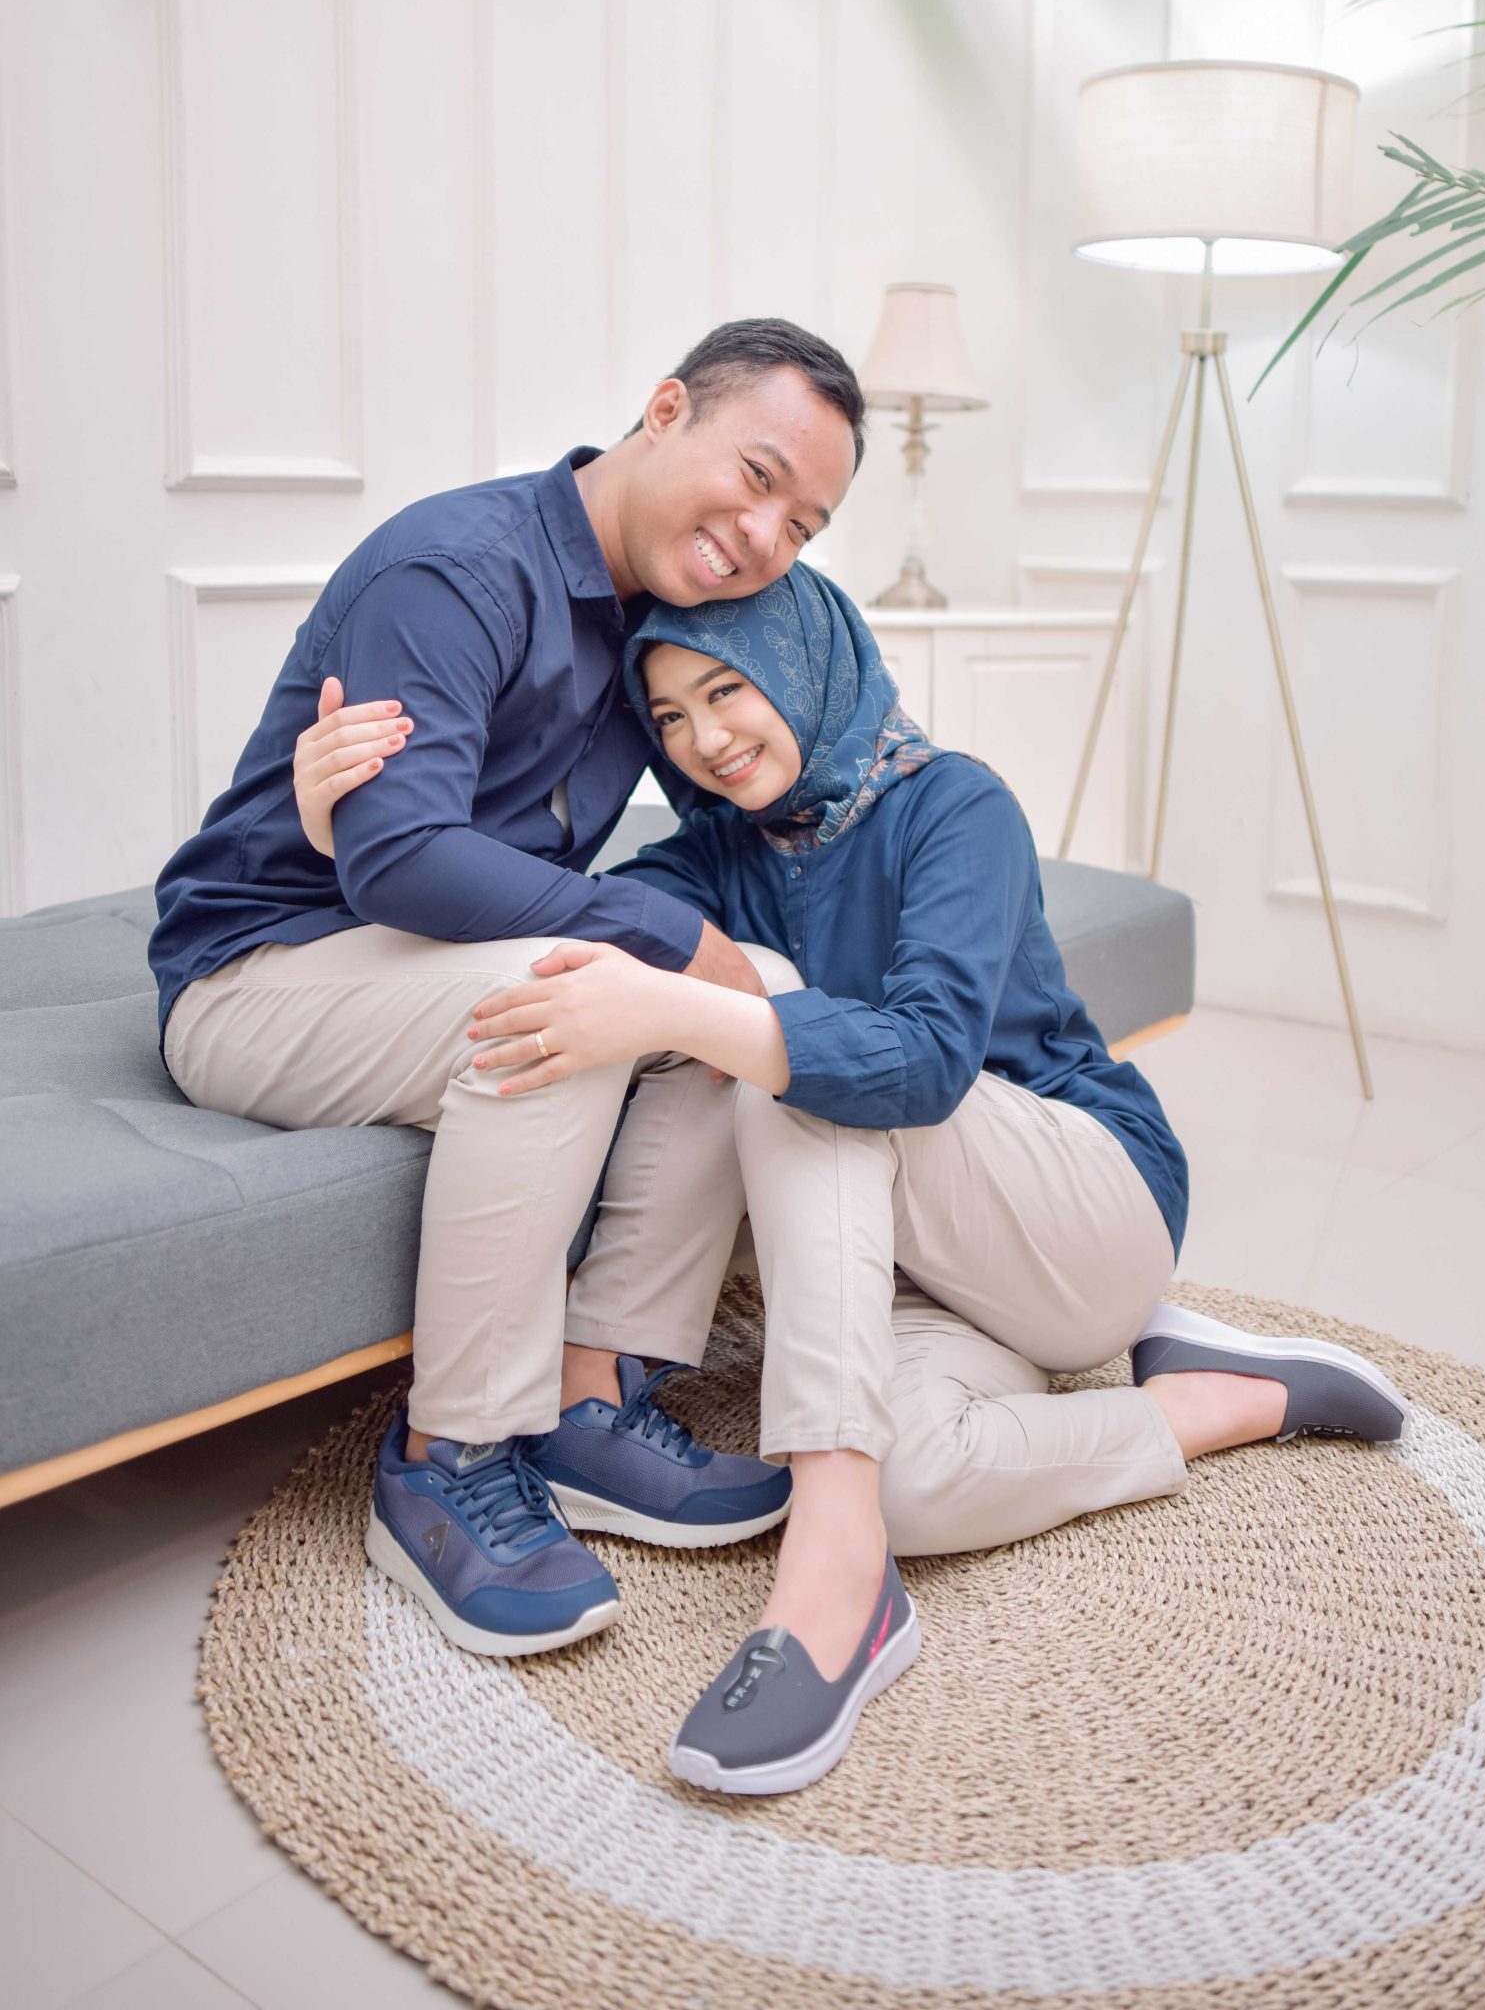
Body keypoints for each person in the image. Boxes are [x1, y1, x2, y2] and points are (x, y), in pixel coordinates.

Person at [309, 561, 1413, 1792]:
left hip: (1083, 1211)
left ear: (802, 663)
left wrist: (696, 1007)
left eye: (727, 690)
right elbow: (548, 919)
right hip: (924, 1274)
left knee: (785, 1040)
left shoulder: (955, 805)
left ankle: (832, 1584)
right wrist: (341, 829)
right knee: (920, 1489)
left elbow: (928, 1062)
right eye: (670, 716)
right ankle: (1226, 1399)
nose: (705, 739)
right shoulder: (712, 857)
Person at [149, 319, 863, 1659]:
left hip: (415, 968)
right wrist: (653, 929)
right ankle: (449, 1453)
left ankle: (588, 1401)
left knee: (747, 989)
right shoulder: (456, 570)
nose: (767, 537)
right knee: (577, 993)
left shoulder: (663, 622)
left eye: (803, 525)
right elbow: (399, 858)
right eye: (759, 477)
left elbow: (773, 792)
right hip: (261, 974)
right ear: (666, 409)